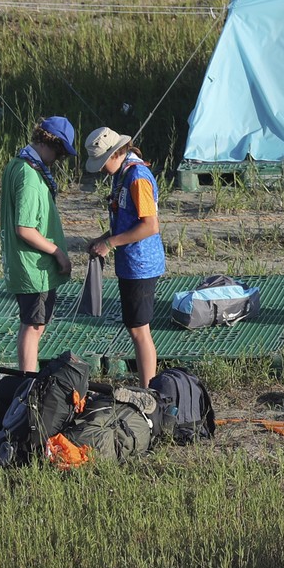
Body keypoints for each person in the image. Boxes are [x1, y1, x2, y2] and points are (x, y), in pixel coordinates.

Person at [84, 128, 166, 389]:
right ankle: (147, 387)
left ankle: (148, 391)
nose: (102, 169)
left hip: (141, 265)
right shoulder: (122, 173)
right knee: (136, 328)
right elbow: (126, 220)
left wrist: (110, 243)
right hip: (130, 263)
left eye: (103, 162)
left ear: (116, 153)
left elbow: (150, 226)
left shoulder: (138, 177)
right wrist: (104, 238)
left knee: (139, 329)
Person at [1, 116, 76, 373]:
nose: (59, 158)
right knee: (34, 327)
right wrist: (59, 254)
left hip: (28, 265)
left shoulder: (17, 164)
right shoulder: (30, 176)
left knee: (33, 324)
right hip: (36, 267)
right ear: (49, 142)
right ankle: (27, 384)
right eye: (60, 152)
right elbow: (24, 228)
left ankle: (26, 381)